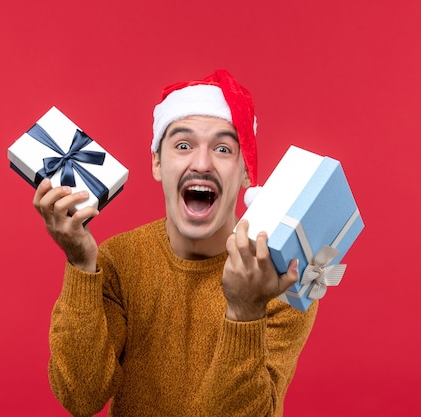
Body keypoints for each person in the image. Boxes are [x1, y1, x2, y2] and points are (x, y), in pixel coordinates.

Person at [32, 69, 318, 417]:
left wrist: (246, 311)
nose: (201, 163)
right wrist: (80, 264)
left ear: (246, 172)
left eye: (224, 148)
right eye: (183, 145)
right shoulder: (120, 260)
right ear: (157, 162)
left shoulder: (278, 275)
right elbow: (81, 396)